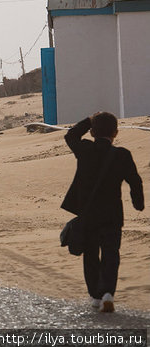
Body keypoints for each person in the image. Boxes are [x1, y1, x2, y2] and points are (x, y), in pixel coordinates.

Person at [62, 112, 144, 313]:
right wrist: (138, 203)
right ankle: (108, 292)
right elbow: (135, 180)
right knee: (110, 253)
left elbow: (70, 136)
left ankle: (96, 296)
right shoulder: (122, 154)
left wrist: (88, 120)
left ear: (91, 133)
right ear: (115, 133)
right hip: (113, 215)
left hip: (88, 214)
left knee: (90, 254)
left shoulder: (85, 149)